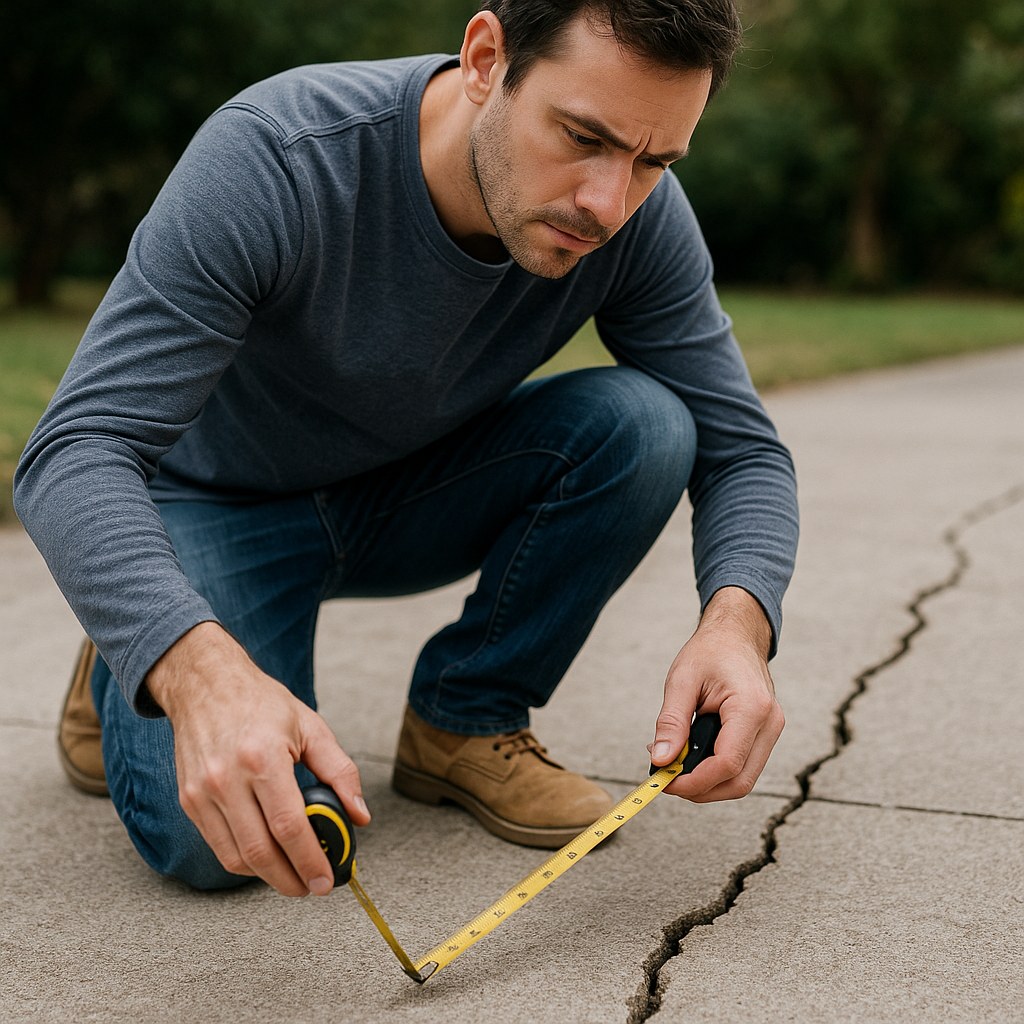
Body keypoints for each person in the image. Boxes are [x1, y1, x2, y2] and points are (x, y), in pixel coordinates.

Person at [15, 0, 797, 899]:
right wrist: (193, 669)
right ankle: (143, 634)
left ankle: (464, 718)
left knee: (649, 423)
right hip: (218, 505)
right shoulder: (278, 155)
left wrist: (739, 628)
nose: (608, 202)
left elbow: (744, 450)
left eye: (654, 161)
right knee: (238, 847)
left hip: (411, 495)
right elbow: (75, 446)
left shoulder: (635, 221)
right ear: (484, 58)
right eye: (583, 135)